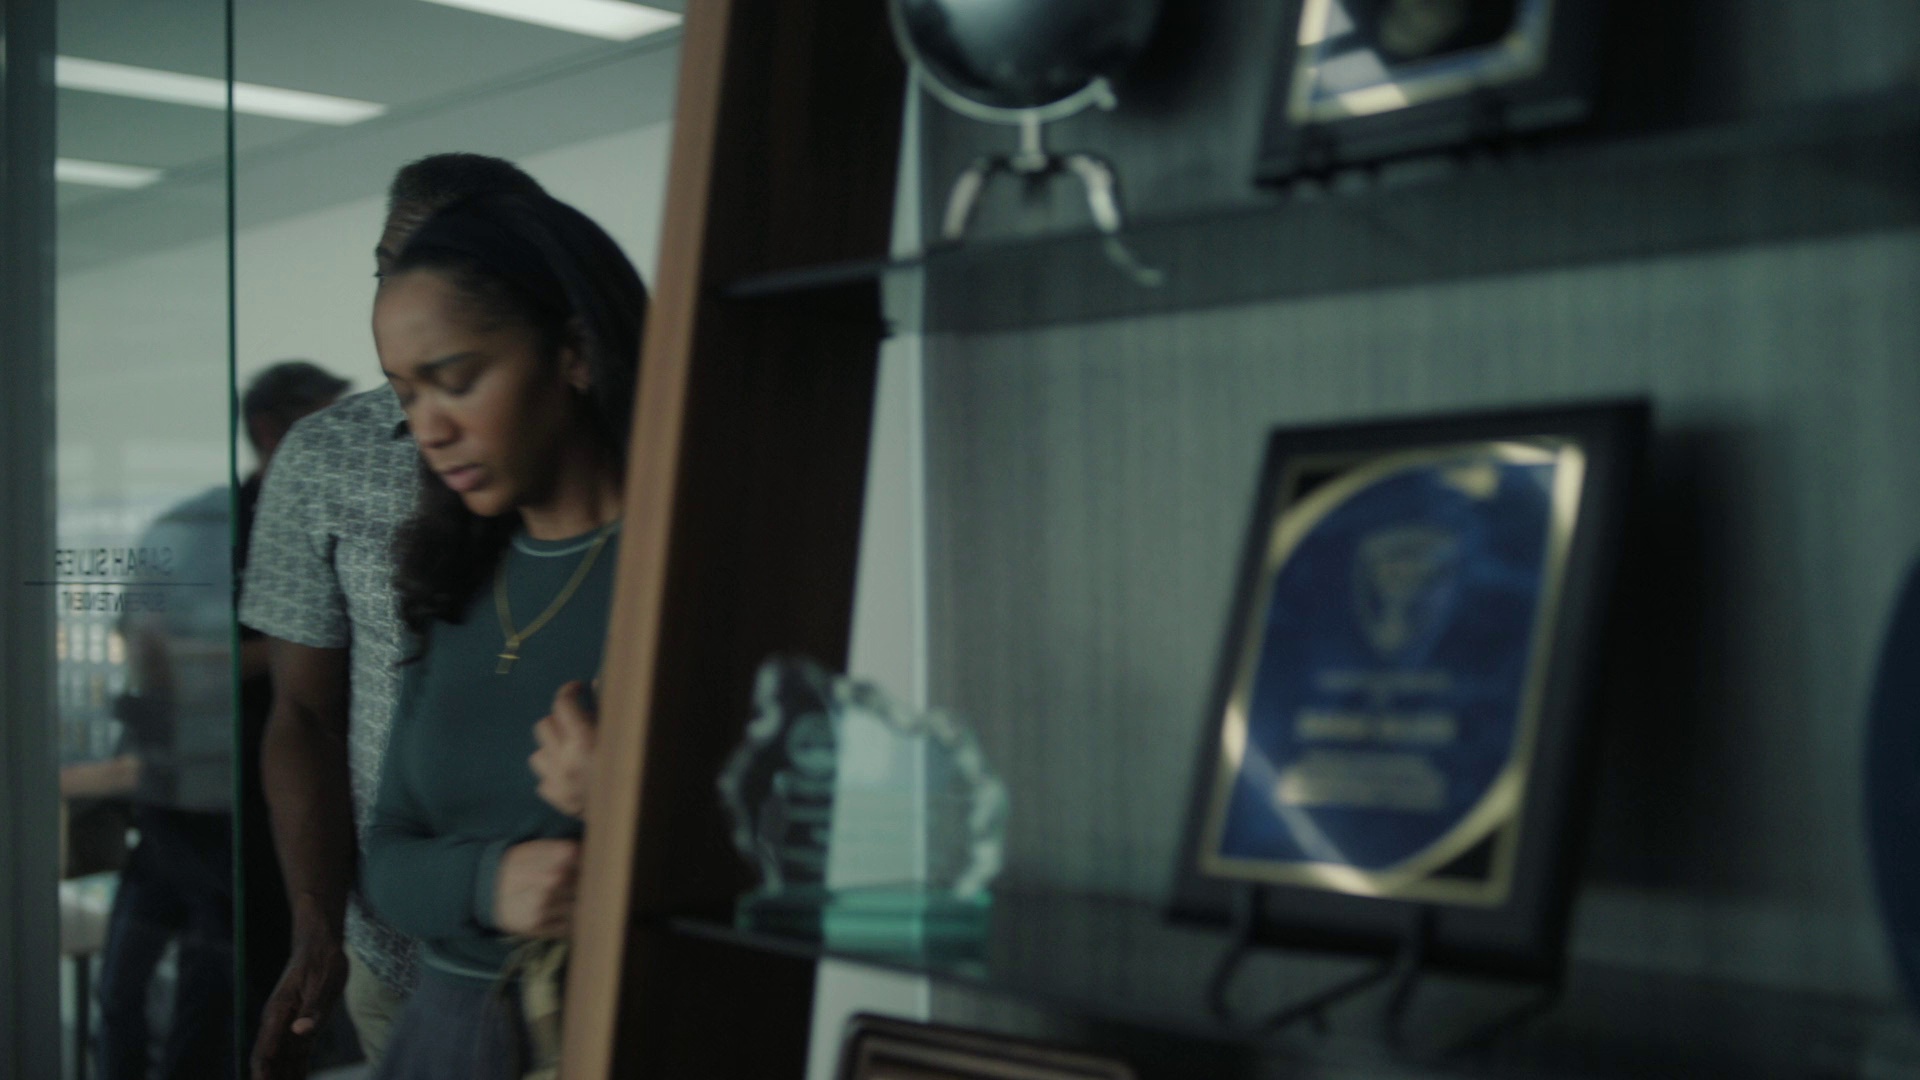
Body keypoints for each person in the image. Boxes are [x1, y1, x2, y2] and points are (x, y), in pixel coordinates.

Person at [241, 154, 549, 1080]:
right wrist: (314, 927)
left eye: (440, 264)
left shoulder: (616, 442)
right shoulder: (324, 456)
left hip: (577, 929)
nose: (402, 296)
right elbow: (303, 714)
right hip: (398, 946)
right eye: (387, 268)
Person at [360, 190, 646, 1080]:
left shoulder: (680, 569)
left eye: (456, 380)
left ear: (574, 352)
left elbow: (793, 852)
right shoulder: (450, 582)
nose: (430, 428)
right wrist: (492, 881)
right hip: (441, 1035)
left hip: (622, 1025)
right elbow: (385, 862)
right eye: (407, 395)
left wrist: (632, 807)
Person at [80, 360, 347, 1080]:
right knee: (153, 985)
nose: (340, 441)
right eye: (323, 421)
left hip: (249, 798)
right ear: (270, 430)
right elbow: (154, 652)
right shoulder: (205, 525)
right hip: (195, 797)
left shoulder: (289, 519)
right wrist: (307, 645)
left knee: (210, 988)